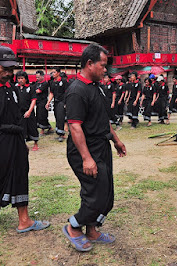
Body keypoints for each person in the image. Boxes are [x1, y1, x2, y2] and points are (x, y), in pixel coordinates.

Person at [0, 45, 50, 232]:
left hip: (15, 139)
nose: (8, 73)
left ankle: (25, 220)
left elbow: (16, 117)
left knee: (21, 175)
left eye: (11, 69)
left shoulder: (12, 89)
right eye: (4, 69)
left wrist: (22, 143)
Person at [63, 43, 126, 252]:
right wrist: (86, 158)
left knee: (106, 190)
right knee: (95, 191)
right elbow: (75, 126)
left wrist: (115, 140)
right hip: (84, 149)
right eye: (103, 65)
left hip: (101, 145)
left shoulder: (95, 87)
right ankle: (74, 227)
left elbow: (103, 118)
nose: (105, 70)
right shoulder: (76, 90)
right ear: (89, 63)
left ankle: (92, 230)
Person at [15, 71, 39, 151]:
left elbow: (33, 100)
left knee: (32, 127)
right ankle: (23, 144)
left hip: (29, 110)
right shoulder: (16, 88)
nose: (20, 80)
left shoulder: (31, 87)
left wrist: (29, 111)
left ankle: (35, 143)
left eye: (22, 78)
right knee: (21, 128)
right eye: (18, 78)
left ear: (26, 79)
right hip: (19, 112)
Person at [46, 67, 69, 142]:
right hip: (55, 102)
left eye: (54, 72)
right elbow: (51, 93)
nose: (52, 74)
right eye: (52, 72)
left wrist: (66, 103)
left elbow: (67, 92)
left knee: (60, 117)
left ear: (58, 73)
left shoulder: (64, 81)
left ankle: (62, 134)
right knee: (56, 116)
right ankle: (59, 133)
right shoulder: (52, 82)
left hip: (62, 101)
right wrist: (48, 102)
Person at [33, 70, 52, 135]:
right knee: (38, 115)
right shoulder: (36, 83)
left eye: (38, 77)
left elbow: (38, 91)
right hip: (38, 102)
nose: (37, 78)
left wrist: (32, 92)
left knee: (42, 115)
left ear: (42, 76)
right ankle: (49, 127)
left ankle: (43, 130)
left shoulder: (45, 83)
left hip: (43, 101)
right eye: (36, 77)